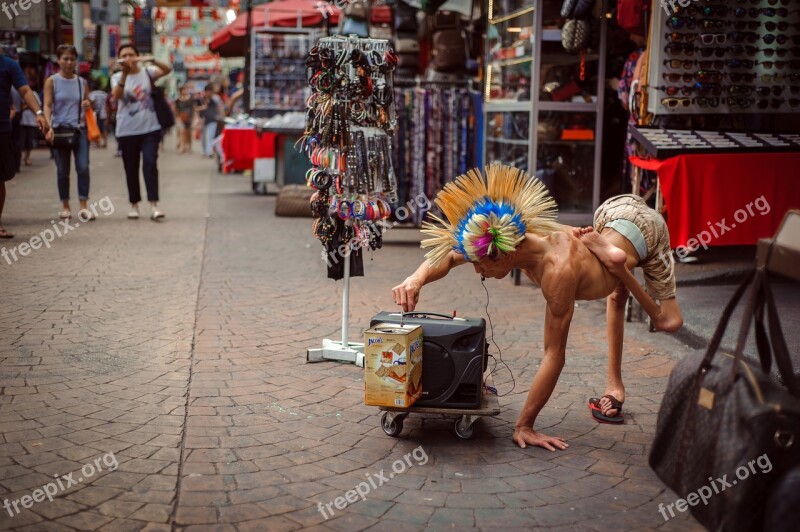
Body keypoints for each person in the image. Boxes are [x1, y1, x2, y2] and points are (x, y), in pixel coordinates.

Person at [392, 165, 682, 451]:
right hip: (613, 213)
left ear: (506, 256)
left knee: (663, 319)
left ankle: (617, 264)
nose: (477, 270)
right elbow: (450, 256)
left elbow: (554, 355)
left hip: (647, 229)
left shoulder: (558, 272)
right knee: (616, 296)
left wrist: (524, 425)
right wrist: (415, 280)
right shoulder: (508, 233)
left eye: (481, 265)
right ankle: (614, 381)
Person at [111, 43, 172, 221]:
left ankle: (154, 204)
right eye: (124, 55)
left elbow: (167, 70)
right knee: (131, 168)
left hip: (150, 128)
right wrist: (123, 73)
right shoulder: (116, 77)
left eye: (131, 54)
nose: (129, 58)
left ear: (138, 56)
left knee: (150, 164)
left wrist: (152, 59)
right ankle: (134, 204)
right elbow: (116, 96)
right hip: (126, 130)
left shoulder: (147, 71)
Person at [0, 46, 50, 238]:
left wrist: (39, 113)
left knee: (1, 179)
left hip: (2, 130)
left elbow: (25, 90)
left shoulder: (9, 65)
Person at [43, 45, 93, 221]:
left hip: (79, 130)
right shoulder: (52, 81)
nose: (69, 62)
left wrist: (87, 105)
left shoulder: (81, 82)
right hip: (59, 130)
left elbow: (88, 103)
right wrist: (48, 126)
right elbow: (47, 105)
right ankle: (65, 205)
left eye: (72, 59)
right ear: (58, 60)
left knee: (83, 167)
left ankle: (83, 206)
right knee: (63, 169)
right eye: (65, 58)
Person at [195, 83, 222, 158]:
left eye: (211, 91)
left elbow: (219, 108)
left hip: (212, 120)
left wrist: (220, 117)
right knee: (203, 137)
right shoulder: (200, 99)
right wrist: (202, 109)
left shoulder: (216, 99)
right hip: (202, 120)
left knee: (211, 136)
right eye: (208, 91)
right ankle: (204, 151)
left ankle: (209, 151)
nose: (209, 93)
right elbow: (195, 108)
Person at [174, 84, 194, 153]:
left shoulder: (191, 99)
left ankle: (189, 145)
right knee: (181, 132)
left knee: (188, 133)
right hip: (180, 117)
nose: (184, 91)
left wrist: (194, 118)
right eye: (183, 90)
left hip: (189, 118)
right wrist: (176, 117)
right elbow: (176, 109)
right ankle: (182, 147)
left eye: (185, 89)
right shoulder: (177, 100)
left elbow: (193, 108)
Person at [88, 80, 108, 148]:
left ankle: (98, 143)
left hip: (96, 113)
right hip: (103, 113)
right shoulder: (104, 93)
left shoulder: (92, 94)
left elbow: (92, 102)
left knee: (97, 128)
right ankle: (105, 142)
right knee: (103, 128)